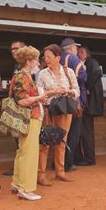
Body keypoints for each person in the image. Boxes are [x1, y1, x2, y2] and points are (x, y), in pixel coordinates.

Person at [36, 44, 79, 185]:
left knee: (62, 141)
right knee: (45, 143)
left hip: (65, 110)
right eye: (45, 57)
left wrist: (68, 91)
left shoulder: (69, 72)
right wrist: (53, 92)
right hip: (48, 110)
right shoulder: (42, 73)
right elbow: (39, 94)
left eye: (49, 56)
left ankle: (60, 172)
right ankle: (41, 175)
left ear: (58, 58)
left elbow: (76, 91)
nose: (46, 59)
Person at [10, 46, 47, 200]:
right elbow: (23, 100)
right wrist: (39, 98)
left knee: (23, 151)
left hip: (29, 118)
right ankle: (26, 188)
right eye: (36, 59)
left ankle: (18, 183)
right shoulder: (23, 77)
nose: (38, 62)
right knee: (29, 153)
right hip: (30, 118)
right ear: (29, 61)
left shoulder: (22, 76)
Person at [60, 38, 87, 172]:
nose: (77, 50)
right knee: (73, 134)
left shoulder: (57, 58)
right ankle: (68, 163)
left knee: (61, 133)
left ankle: (58, 163)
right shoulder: (74, 59)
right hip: (74, 101)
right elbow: (83, 77)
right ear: (71, 48)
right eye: (76, 47)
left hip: (59, 102)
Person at [76, 46, 104, 165]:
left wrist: (87, 87)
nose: (79, 54)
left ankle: (89, 159)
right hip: (88, 104)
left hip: (89, 105)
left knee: (86, 131)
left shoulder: (91, 62)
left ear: (88, 53)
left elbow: (97, 72)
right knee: (85, 131)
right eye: (78, 52)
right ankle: (85, 157)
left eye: (81, 52)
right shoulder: (84, 63)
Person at [3, 40, 26, 176]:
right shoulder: (17, 66)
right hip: (17, 107)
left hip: (26, 108)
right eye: (12, 49)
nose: (14, 51)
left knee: (23, 140)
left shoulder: (30, 66)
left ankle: (24, 169)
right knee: (17, 138)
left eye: (16, 49)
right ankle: (19, 168)